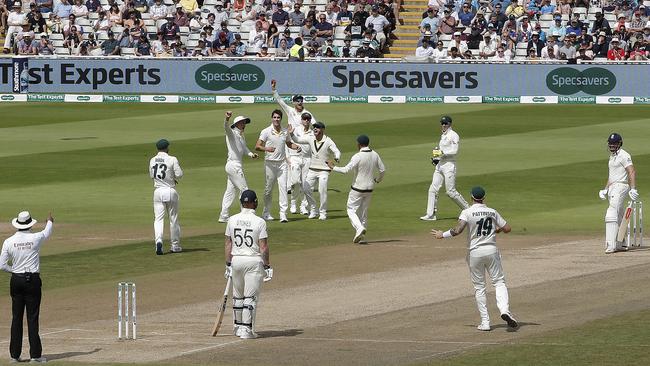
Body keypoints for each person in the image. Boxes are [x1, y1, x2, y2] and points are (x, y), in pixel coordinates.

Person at [431, 186, 518, 332]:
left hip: (475, 253)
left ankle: (485, 322)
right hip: (491, 251)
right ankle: (505, 311)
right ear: (484, 198)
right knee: (499, 282)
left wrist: (442, 234)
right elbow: (507, 228)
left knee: (479, 287)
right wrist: (496, 229)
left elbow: (457, 230)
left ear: (471, 197)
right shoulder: (492, 211)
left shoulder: (467, 212)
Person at [0, 211, 54, 363]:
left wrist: (16, 272)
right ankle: (35, 356)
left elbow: (2, 265)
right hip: (32, 281)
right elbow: (47, 232)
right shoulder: (35, 237)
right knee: (32, 317)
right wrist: (49, 220)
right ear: (30, 224)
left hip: (16, 281)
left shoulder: (8, 241)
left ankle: (14, 356)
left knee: (16, 317)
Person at [224, 189, 272, 339]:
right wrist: (267, 266)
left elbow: (228, 244)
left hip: (236, 260)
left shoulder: (231, 219)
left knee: (238, 297)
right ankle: (246, 330)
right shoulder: (260, 221)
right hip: (253, 261)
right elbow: (263, 246)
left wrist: (228, 264)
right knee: (250, 298)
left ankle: (238, 327)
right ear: (255, 203)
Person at [328, 135, 385, 243]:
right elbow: (382, 170)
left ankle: (359, 228)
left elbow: (345, 170)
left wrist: (332, 167)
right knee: (363, 213)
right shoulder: (375, 154)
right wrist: (377, 180)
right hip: (369, 188)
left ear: (359, 144)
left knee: (351, 209)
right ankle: (362, 238)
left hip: (358, 188)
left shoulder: (357, 156)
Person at [421, 116, 470, 221]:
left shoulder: (454, 135)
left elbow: (454, 151)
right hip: (440, 166)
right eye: (442, 123)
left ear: (450, 124)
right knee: (433, 189)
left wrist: (443, 154)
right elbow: (441, 151)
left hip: (449, 165)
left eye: (446, 124)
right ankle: (430, 215)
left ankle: (468, 210)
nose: (443, 125)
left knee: (450, 192)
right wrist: (436, 158)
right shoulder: (443, 135)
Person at [288, 121, 340, 220]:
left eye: (318, 127)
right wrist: (291, 133)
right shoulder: (310, 138)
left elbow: (336, 150)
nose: (315, 129)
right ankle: (313, 209)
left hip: (324, 170)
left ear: (323, 130)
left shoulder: (328, 141)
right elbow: (297, 140)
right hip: (312, 169)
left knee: (322, 191)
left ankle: (323, 212)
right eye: (314, 127)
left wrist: (337, 157)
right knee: (306, 189)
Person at [599, 133, 639, 253]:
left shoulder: (624, 155)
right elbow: (612, 176)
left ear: (619, 143)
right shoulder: (612, 157)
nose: (612, 145)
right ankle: (621, 243)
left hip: (621, 186)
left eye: (614, 143)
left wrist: (633, 188)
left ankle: (611, 245)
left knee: (611, 212)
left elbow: (631, 171)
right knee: (620, 215)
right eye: (610, 143)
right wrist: (605, 189)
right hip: (613, 187)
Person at [255, 109, 296, 223]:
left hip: (282, 164)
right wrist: (266, 148)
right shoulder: (266, 131)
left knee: (283, 188)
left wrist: (296, 146)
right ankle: (266, 213)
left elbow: (288, 143)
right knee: (268, 190)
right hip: (270, 163)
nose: (276, 119)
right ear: (272, 118)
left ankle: (283, 214)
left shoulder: (285, 131)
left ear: (281, 119)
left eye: (278, 117)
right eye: (275, 117)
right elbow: (257, 146)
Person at [219, 111, 259, 223]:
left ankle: (223, 215)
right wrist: (227, 119)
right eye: (242, 122)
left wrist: (251, 154)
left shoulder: (241, 135)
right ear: (236, 124)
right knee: (244, 189)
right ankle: (245, 214)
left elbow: (244, 148)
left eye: (244, 122)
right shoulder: (232, 133)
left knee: (230, 192)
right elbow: (226, 128)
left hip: (233, 166)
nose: (244, 124)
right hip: (234, 165)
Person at [149, 139, 184, 255]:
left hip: (157, 191)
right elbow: (179, 175)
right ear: (167, 148)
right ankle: (175, 245)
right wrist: (172, 177)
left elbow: (151, 175)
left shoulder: (152, 160)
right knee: (173, 219)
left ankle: (158, 241)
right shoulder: (172, 159)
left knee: (158, 219)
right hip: (170, 190)